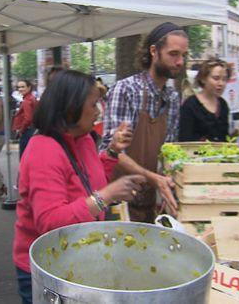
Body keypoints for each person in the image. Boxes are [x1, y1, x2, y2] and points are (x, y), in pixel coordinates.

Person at [12, 70, 146, 303]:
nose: (98, 111)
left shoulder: (83, 138)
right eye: (93, 104)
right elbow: (49, 221)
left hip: (77, 256)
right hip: (48, 267)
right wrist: (106, 196)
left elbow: (89, 183)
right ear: (71, 107)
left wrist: (112, 152)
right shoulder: (43, 151)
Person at [101, 22, 184, 223]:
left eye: (183, 55)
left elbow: (168, 151)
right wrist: (154, 179)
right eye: (174, 54)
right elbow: (112, 151)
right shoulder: (126, 90)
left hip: (151, 201)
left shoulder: (172, 97)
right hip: (118, 201)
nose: (180, 61)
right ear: (154, 51)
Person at [178, 58, 231, 142]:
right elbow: (184, 139)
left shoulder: (223, 104)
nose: (221, 83)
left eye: (224, 79)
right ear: (203, 79)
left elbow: (225, 138)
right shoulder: (190, 105)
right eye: (216, 78)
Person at [11, 79, 37, 158]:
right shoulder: (32, 98)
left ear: (29, 88)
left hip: (27, 131)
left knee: (23, 158)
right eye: (19, 87)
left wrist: (21, 130)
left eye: (23, 87)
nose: (20, 89)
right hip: (32, 130)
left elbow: (28, 118)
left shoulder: (27, 101)